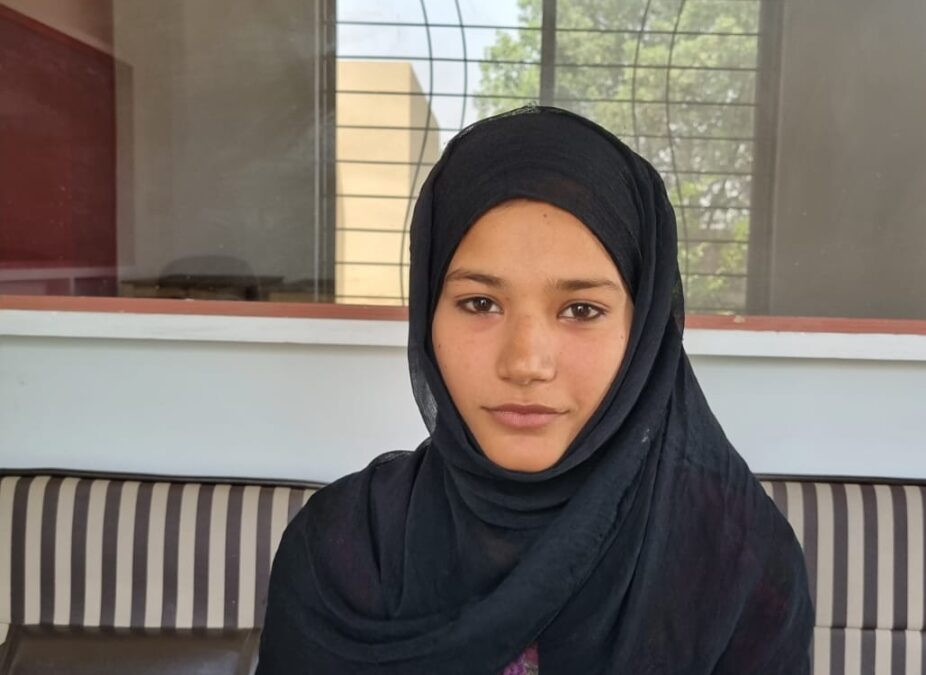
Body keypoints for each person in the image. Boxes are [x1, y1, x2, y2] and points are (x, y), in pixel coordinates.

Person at [256, 106, 813, 674]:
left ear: (644, 332)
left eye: (581, 310)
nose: (525, 363)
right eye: (480, 303)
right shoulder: (344, 552)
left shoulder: (738, 563)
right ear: (428, 313)